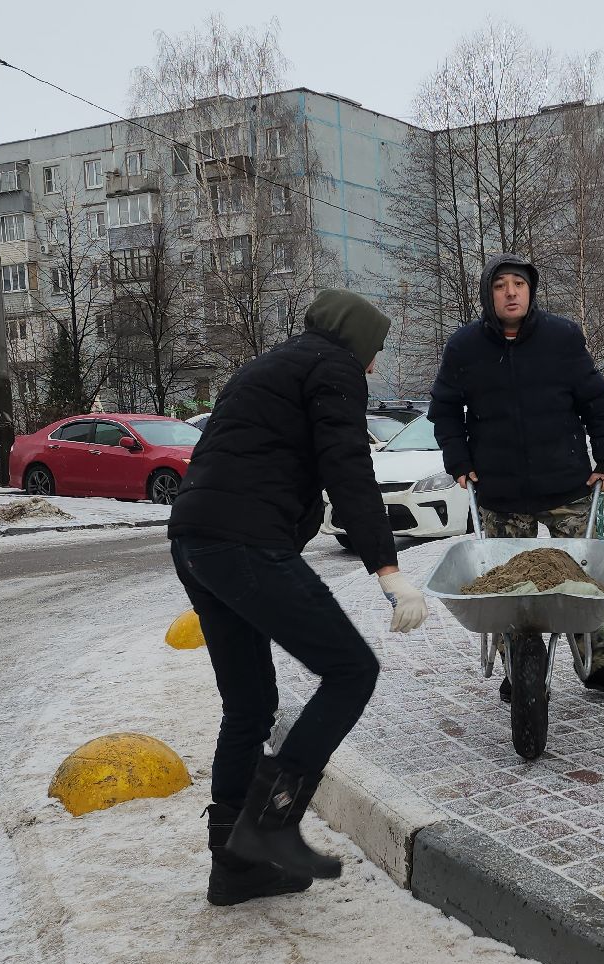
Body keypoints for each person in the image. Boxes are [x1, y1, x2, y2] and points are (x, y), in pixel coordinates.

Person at [169, 288, 428, 906]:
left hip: (195, 541)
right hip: (244, 543)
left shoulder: (269, 365)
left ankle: (236, 867)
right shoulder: (333, 366)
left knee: (250, 704)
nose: (373, 365)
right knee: (352, 670)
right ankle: (270, 827)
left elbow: (264, 461)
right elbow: (348, 468)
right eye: (375, 351)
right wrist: (387, 567)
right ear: (356, 341)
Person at [428, 254, 604, 695]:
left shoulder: (562, 337)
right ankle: (515, 668)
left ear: (530, 290)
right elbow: (444, 409)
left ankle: (596, 661)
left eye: (518, 284)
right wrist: (459, 462)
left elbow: (596, 402)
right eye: (500, 285)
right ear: (489, 295)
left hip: (566, 486)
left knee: (582, 581)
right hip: (499, 491)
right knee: (504, 588)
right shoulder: (465, 347)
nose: (511, 293)